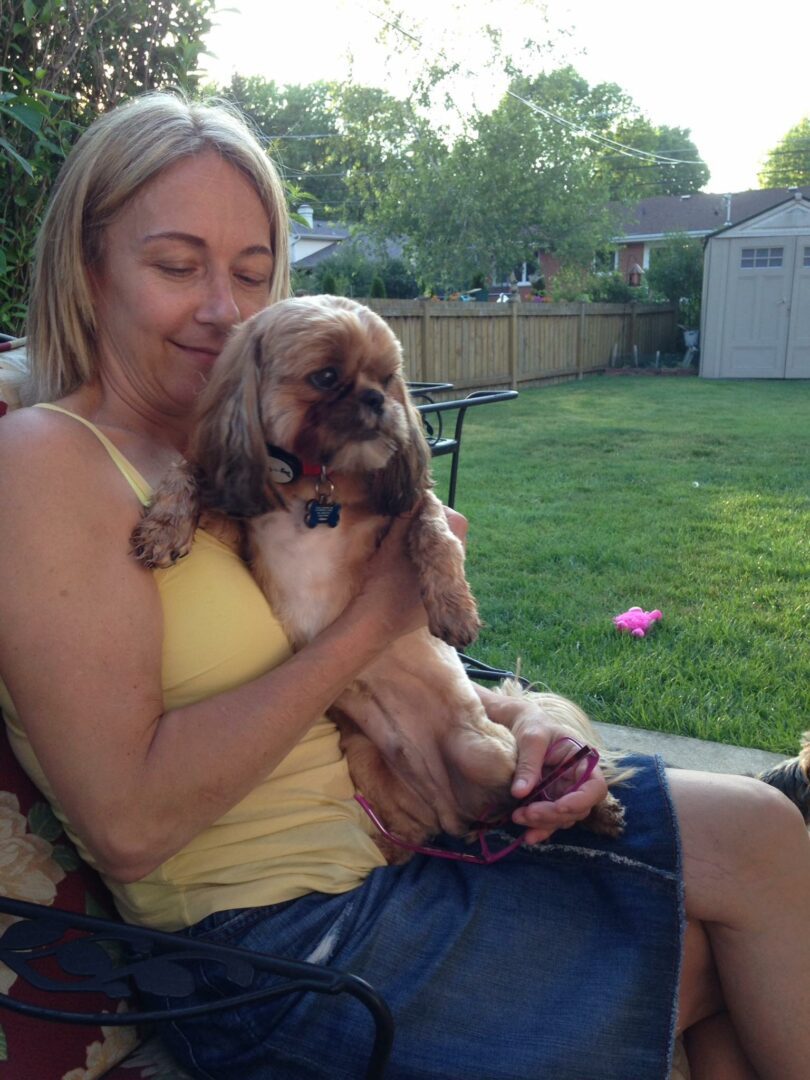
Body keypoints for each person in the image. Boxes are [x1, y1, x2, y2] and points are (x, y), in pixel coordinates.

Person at [0, 92, 808, 1080]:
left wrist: (541, 718)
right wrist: (373, 619)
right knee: (737, 940)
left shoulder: (262, 450)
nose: (223, 309)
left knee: (762, 840)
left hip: (417, 845)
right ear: (88, 269)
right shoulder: (45, 462)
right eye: (176, 266)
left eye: (254, 274)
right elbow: (129, 829)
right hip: (288, 953)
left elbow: (420, 659)